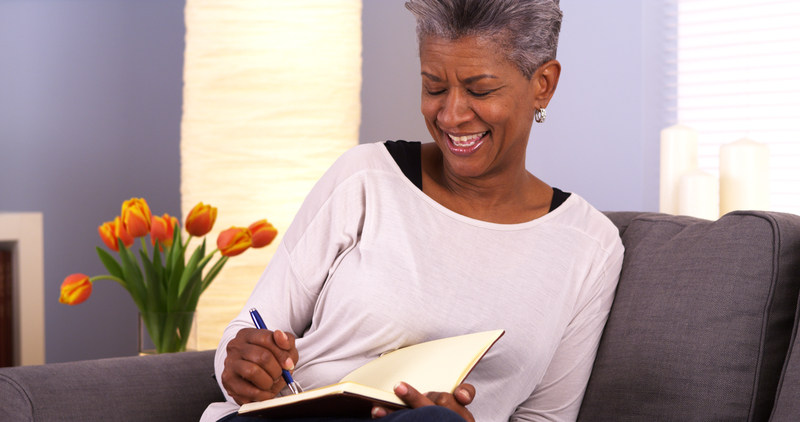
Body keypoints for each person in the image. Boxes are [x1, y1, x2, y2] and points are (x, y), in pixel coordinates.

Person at [201, 0, 624, 421]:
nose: (451, 115)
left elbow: (547, 418)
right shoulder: (366, 178)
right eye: (434, 87)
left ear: (543, 84)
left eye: (479, 90)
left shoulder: (590, 247)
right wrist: (242, 363)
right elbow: (247, 331)